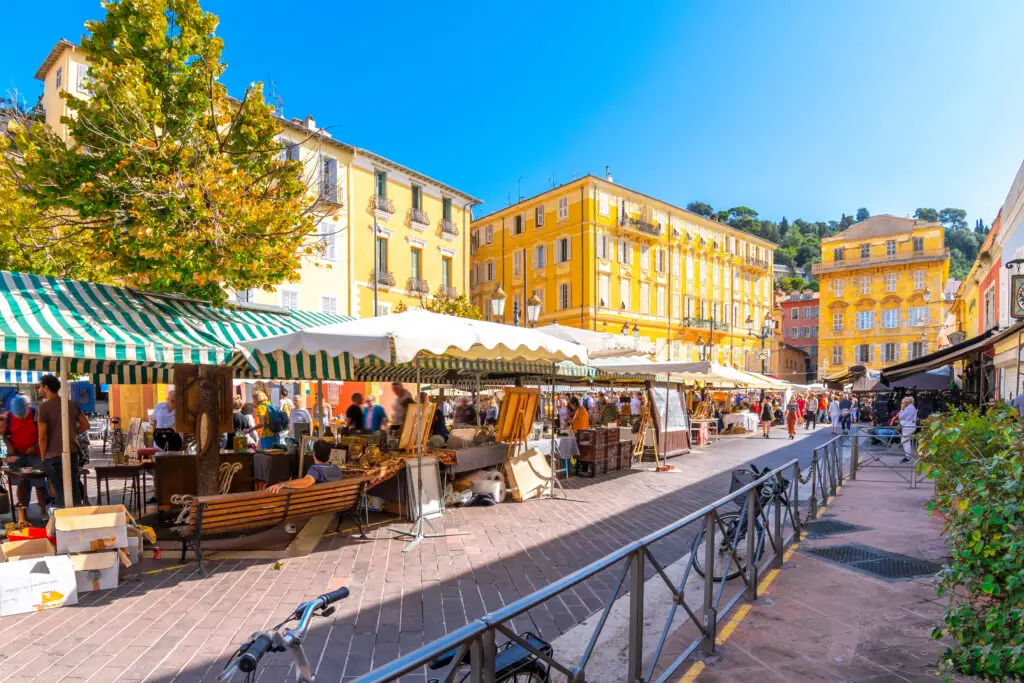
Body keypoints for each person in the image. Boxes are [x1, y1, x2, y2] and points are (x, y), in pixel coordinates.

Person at [36, 374, 89, 507]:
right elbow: (85, 424)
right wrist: (71, 433)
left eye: (39, 387)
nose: (38, 389)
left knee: (59, 491)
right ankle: (78, 519)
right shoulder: (69, 404)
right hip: (72, 452)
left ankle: (64, 522)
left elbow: (42, 437)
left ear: (46, 388)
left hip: (53, 455)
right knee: (74, 489)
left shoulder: (43, 408)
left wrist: (42, 457)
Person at [3, 395, 47, 517]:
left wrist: (35, 446)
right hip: (17, 454)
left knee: (39, 482)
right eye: (18, 416)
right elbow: (4, 435)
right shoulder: (9, 417)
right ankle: (23, 512)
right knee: (20, 482)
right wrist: (9, 446)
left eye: (23, 415)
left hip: (36, 453)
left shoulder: (35, 413)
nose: (21, 418)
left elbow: (43, 434)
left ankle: (43, 510)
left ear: (27, 407)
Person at [266, 440, 342, 494]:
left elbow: (306, 482)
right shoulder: (336, 468)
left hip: (319, 505)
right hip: (334, 503)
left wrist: (282, 484)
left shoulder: (316, 470)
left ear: (313, 454)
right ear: (329, 455)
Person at [898, 396, 918, 464]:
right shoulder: (912, 407)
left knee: (905, 441)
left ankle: (908, 457)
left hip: (908, 427)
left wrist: (901, 409)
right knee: (905, 441)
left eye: (903, 402)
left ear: (906, 402)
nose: (902, 404)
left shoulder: (908, 408)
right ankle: (907, 456)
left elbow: (901, 416)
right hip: (910, 427)